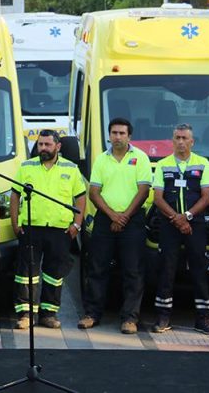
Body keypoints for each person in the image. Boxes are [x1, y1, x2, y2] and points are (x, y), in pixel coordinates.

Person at [79, 117, 151, 334]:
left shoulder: (141, 158)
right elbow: (94, 192)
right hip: (105, 221)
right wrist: (112, 215)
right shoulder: (102, 159)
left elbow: (144, 190)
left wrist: (124, 217)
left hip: (133, 220)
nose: (117, 137)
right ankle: (92, 314)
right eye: (114, 133)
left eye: (122, 133)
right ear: (109, 135)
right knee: (97, 269)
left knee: (133, 271)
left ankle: (130, 318)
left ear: (130, 136)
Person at [11, 129, 86, 330]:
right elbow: (15, 195)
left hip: (60, 230)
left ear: (58, 147)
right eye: (40, 144)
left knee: (54, 273)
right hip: (31, 228)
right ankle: (26, 313)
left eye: (47, 144)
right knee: (27, 272)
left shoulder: (71, 169)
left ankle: (48, 314)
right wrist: (15, 223)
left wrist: (77, 224)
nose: (42, 148)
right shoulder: (26, 167)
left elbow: (80, 197)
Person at [150, 124, 209, 335]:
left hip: (194, 224)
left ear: (192, 141)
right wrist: (176, 218)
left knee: (199, 269)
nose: (181, 141)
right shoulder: (162, 164)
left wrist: (187, 217)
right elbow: (157, 198)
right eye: (177, 137)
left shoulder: (203, 163)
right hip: (169, 224)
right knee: (166, 269)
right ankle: (163, 317)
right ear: (172, 141)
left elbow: (206, 197)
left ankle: (203, 318)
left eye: (185, 138)